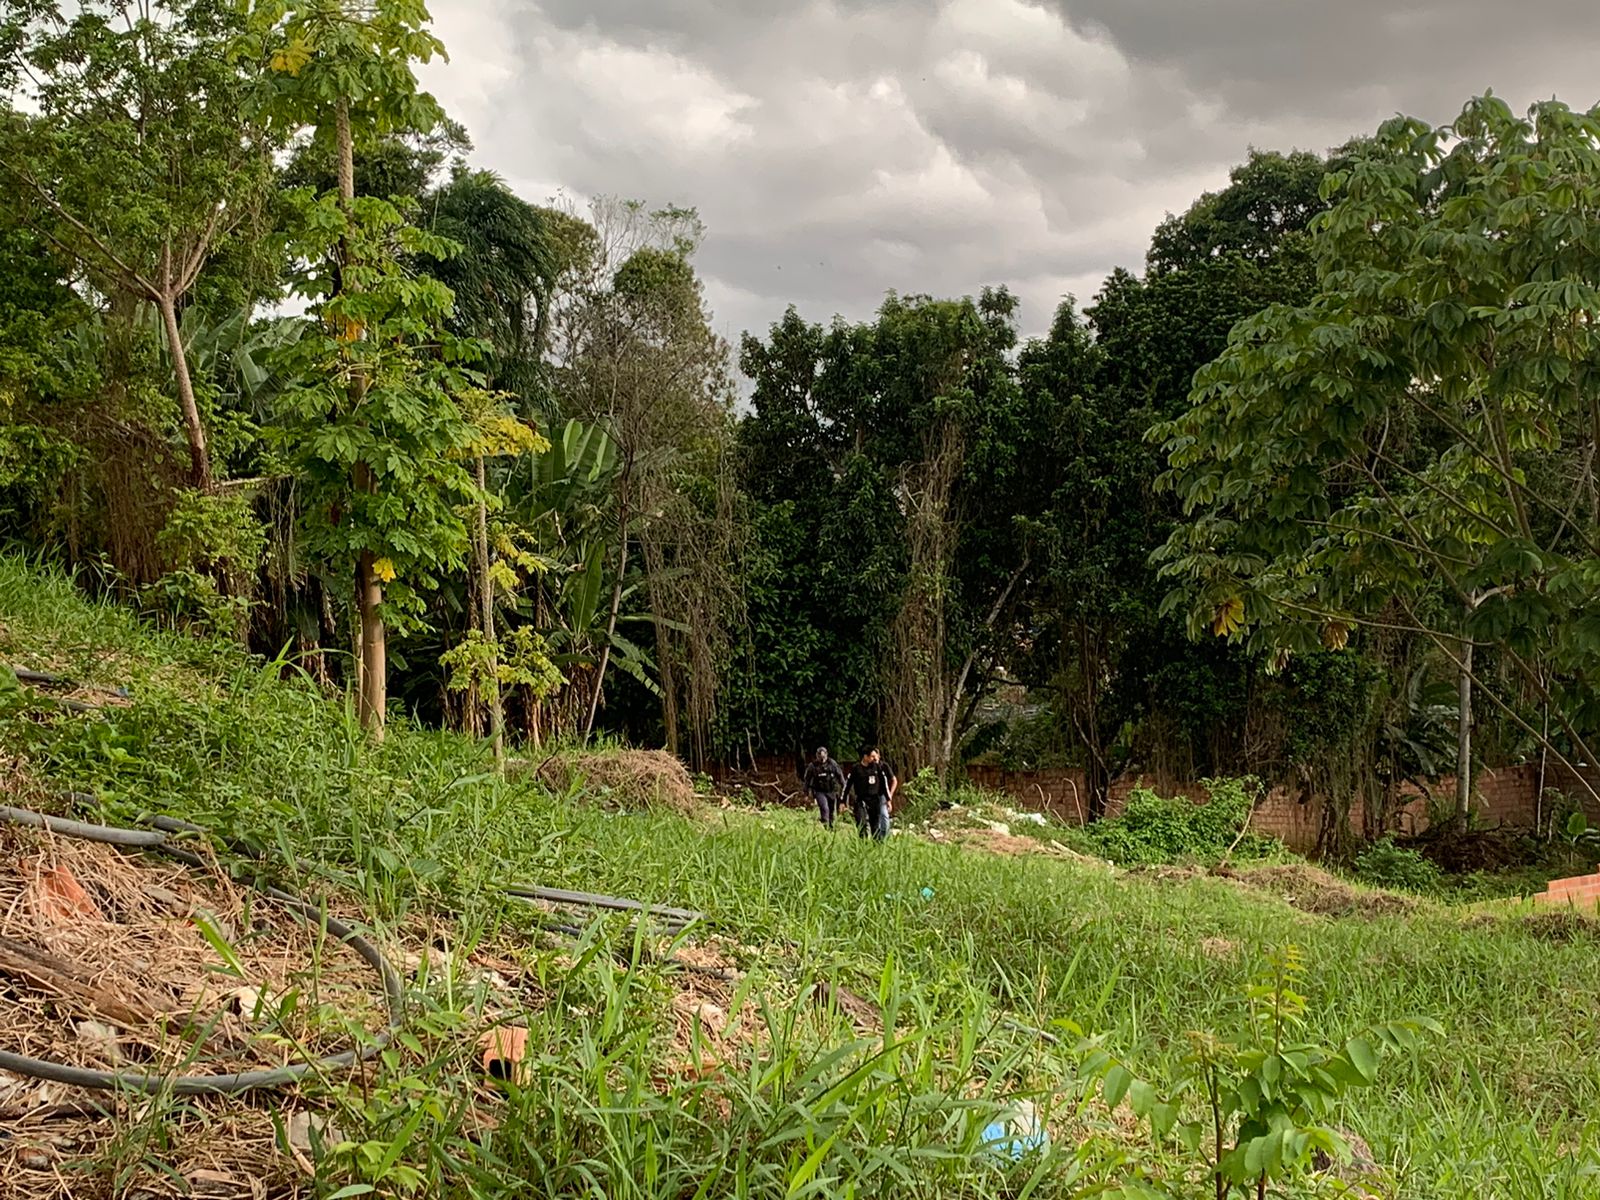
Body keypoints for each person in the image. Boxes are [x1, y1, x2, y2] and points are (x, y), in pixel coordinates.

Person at [844, 747, 895, 841]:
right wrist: (842, 801)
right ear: (865, 757)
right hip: (860, 799)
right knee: (861, 822)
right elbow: (847, 785)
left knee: (875, 825)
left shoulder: (877, 767)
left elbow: (884, 784)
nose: (874, 759)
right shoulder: (856, 768)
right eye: (872, 756)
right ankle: (863, 844)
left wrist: (888, 799)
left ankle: (877, 845)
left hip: (874, 799)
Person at [803, 746, 845, 829]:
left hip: (832, 790)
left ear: (826, 755)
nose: (822, 759)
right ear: (817, 756)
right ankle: (825, 825)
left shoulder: (832, 764)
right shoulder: (812, 766)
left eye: (823, 757)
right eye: (820, 757)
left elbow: (840, 776)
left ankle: (831, 828)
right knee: (824, 808)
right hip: (819, 791)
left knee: (831, 811)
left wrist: (844, 787)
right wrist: (806, 793)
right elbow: (807, 780)